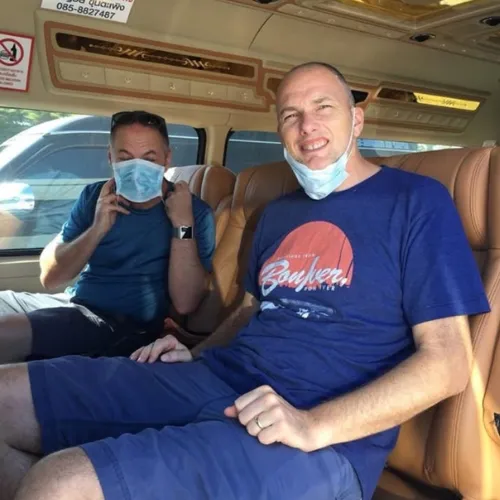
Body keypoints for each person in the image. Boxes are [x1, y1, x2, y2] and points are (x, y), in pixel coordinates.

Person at [0, 62, 490, 500]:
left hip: (318, 435)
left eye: (323, 107)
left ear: (356, 119)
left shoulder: (416, 201)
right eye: (290, 114)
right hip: (214, 378)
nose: (307, 126)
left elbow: (448, 361)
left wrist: (312, 425)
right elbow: (250, 310)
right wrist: (197, 351)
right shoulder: (278, 214)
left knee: (57, 485)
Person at [0, 110, 215, 362]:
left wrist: (182, 224)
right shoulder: (95, 197)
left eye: (149, 158)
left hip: (120, 326)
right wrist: (98, 227)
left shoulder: (194, 212)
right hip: (74, 303)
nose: (137, 168)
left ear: (167, 159)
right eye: (125, 158)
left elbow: (186, 303)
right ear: (111, 157)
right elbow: (50, 277)